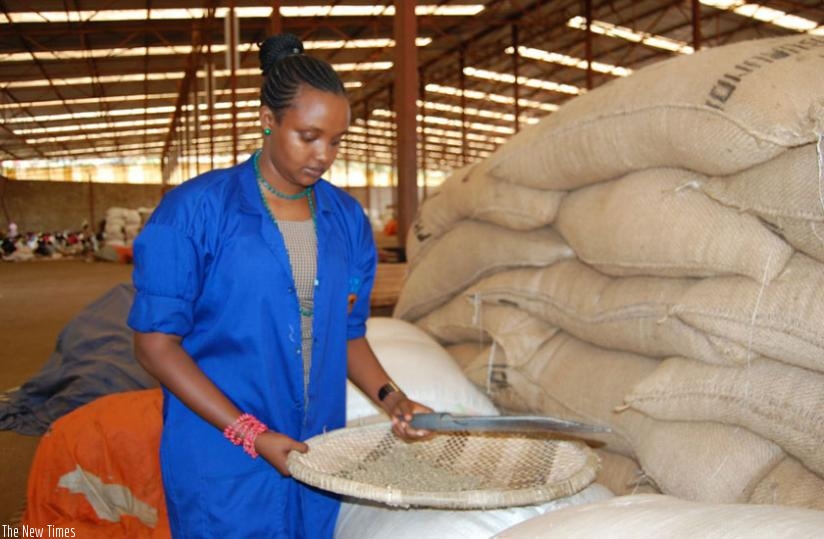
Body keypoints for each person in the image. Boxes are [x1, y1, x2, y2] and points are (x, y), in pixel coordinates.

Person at [128, 33, 431, 538]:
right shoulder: (195, 212)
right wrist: (253, 434)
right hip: (221, 451)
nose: (323, 155)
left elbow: (347, 334)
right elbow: (155, 346)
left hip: (315, 448)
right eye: (308, 136)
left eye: (336, 140)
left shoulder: (346, 219)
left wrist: (392, 398)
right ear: (268, 121)